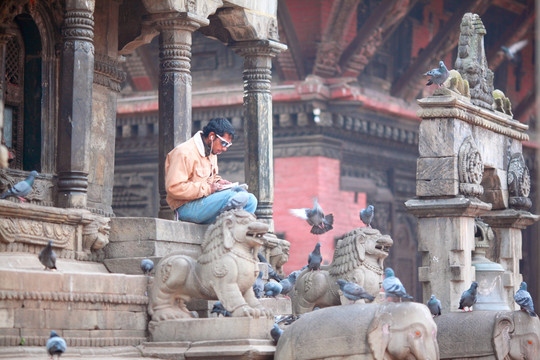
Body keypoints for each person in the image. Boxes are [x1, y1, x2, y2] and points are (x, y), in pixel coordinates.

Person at [165, 117, 257, 224]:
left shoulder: (212, 152)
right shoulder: (184, 152)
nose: (225, 148)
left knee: (251, 200)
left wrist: (218, 182)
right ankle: (227, 225)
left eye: (228, 145)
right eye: (223, 143)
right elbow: (174, 188)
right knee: (236, 196)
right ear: (212, 136)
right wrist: (209, 189)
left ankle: (233, 233)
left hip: (205, 203)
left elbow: (210, 178)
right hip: (185, 208)